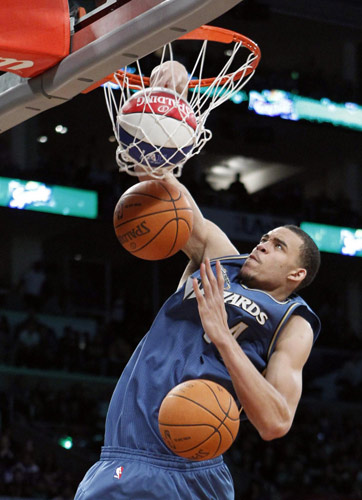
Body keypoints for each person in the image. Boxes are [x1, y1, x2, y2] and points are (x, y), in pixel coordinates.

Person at [75, 62, 321, 499]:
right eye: (265, 238)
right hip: (120, 459)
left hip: (192, 474)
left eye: (277, 246)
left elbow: (277, 421)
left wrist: (222, 337)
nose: (262, 245)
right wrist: (165, 107)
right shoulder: (220, 258)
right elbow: (164, 189)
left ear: (296, 274)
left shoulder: (293, 321)